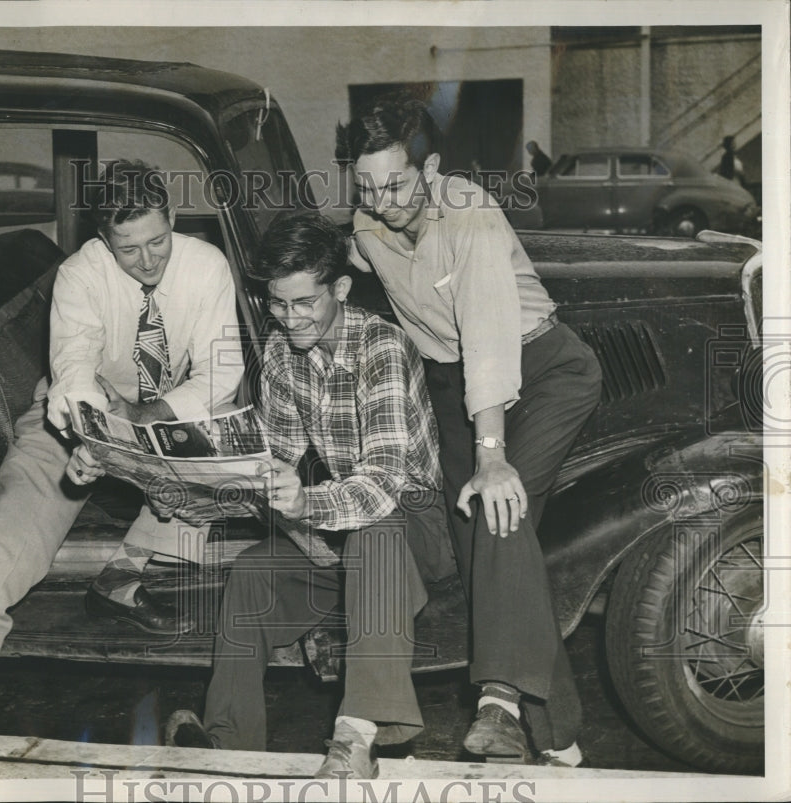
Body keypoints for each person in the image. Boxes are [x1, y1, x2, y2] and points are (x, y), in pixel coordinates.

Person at [0, 159, 244, 755]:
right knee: (18, 517)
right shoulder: (80, 275)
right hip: (71, 421)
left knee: (198, 474)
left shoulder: (207, 266)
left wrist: (149, 423)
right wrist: (95, 439)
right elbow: (73, 372)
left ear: (172, 218)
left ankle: (119, 582)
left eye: (157, 240)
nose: (148, 260)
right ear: (103, 238)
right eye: (129, 249)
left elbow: (221, 374)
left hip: (168, 415)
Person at [335, 95, 603, 768]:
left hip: (540, 371)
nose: (381, 199)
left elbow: (487, 335)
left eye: (395, 183)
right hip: (455, 390)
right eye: (365, 186)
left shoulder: (470, 214)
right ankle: (561, 740)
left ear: (429, 168)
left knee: (497, 508)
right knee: (488, 555)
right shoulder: (369, 223)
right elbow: (360, 253)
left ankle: (500, 704)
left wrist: (492, 457)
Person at [164, 213, 452, 779]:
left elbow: (384, 485)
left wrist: (308, 506)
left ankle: (356, 738)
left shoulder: (382, 349)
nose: (288, 319)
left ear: (340, 289)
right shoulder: (279, 351)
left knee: (377, 532)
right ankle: (230, 750)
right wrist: (204, 492)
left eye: (303, 303)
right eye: (277, 303)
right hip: (337, 525)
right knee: (251, 574)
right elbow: (281, 466)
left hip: (416, 527)